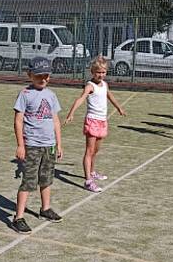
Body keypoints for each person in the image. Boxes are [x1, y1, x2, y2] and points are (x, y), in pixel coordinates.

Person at [10, 57, 63, 234]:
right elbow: (18, 121)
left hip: (50, 145)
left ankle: (45, 208)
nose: (43, 79)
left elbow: (55, 120)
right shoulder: (25, 94)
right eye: (39, 76)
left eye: (46, 76)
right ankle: (18, 217)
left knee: (47, 178)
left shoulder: (51, 95)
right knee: (28, 181)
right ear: (30, 75)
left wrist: (59, 143)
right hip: (32, 144)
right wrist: (20, 145)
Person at [64, 55, 126, 193]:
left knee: (96, 151)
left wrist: (119, 107)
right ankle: (88, 181)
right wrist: (71, 113)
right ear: (92, 72)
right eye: (98, 72)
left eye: (103, 72)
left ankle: (92, 172)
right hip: (92, 121)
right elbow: (80, 99)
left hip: (102, 121)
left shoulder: (105, 85)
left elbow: (110, 96)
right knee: (89, 151)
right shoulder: (90, 86)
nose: (101, 75)